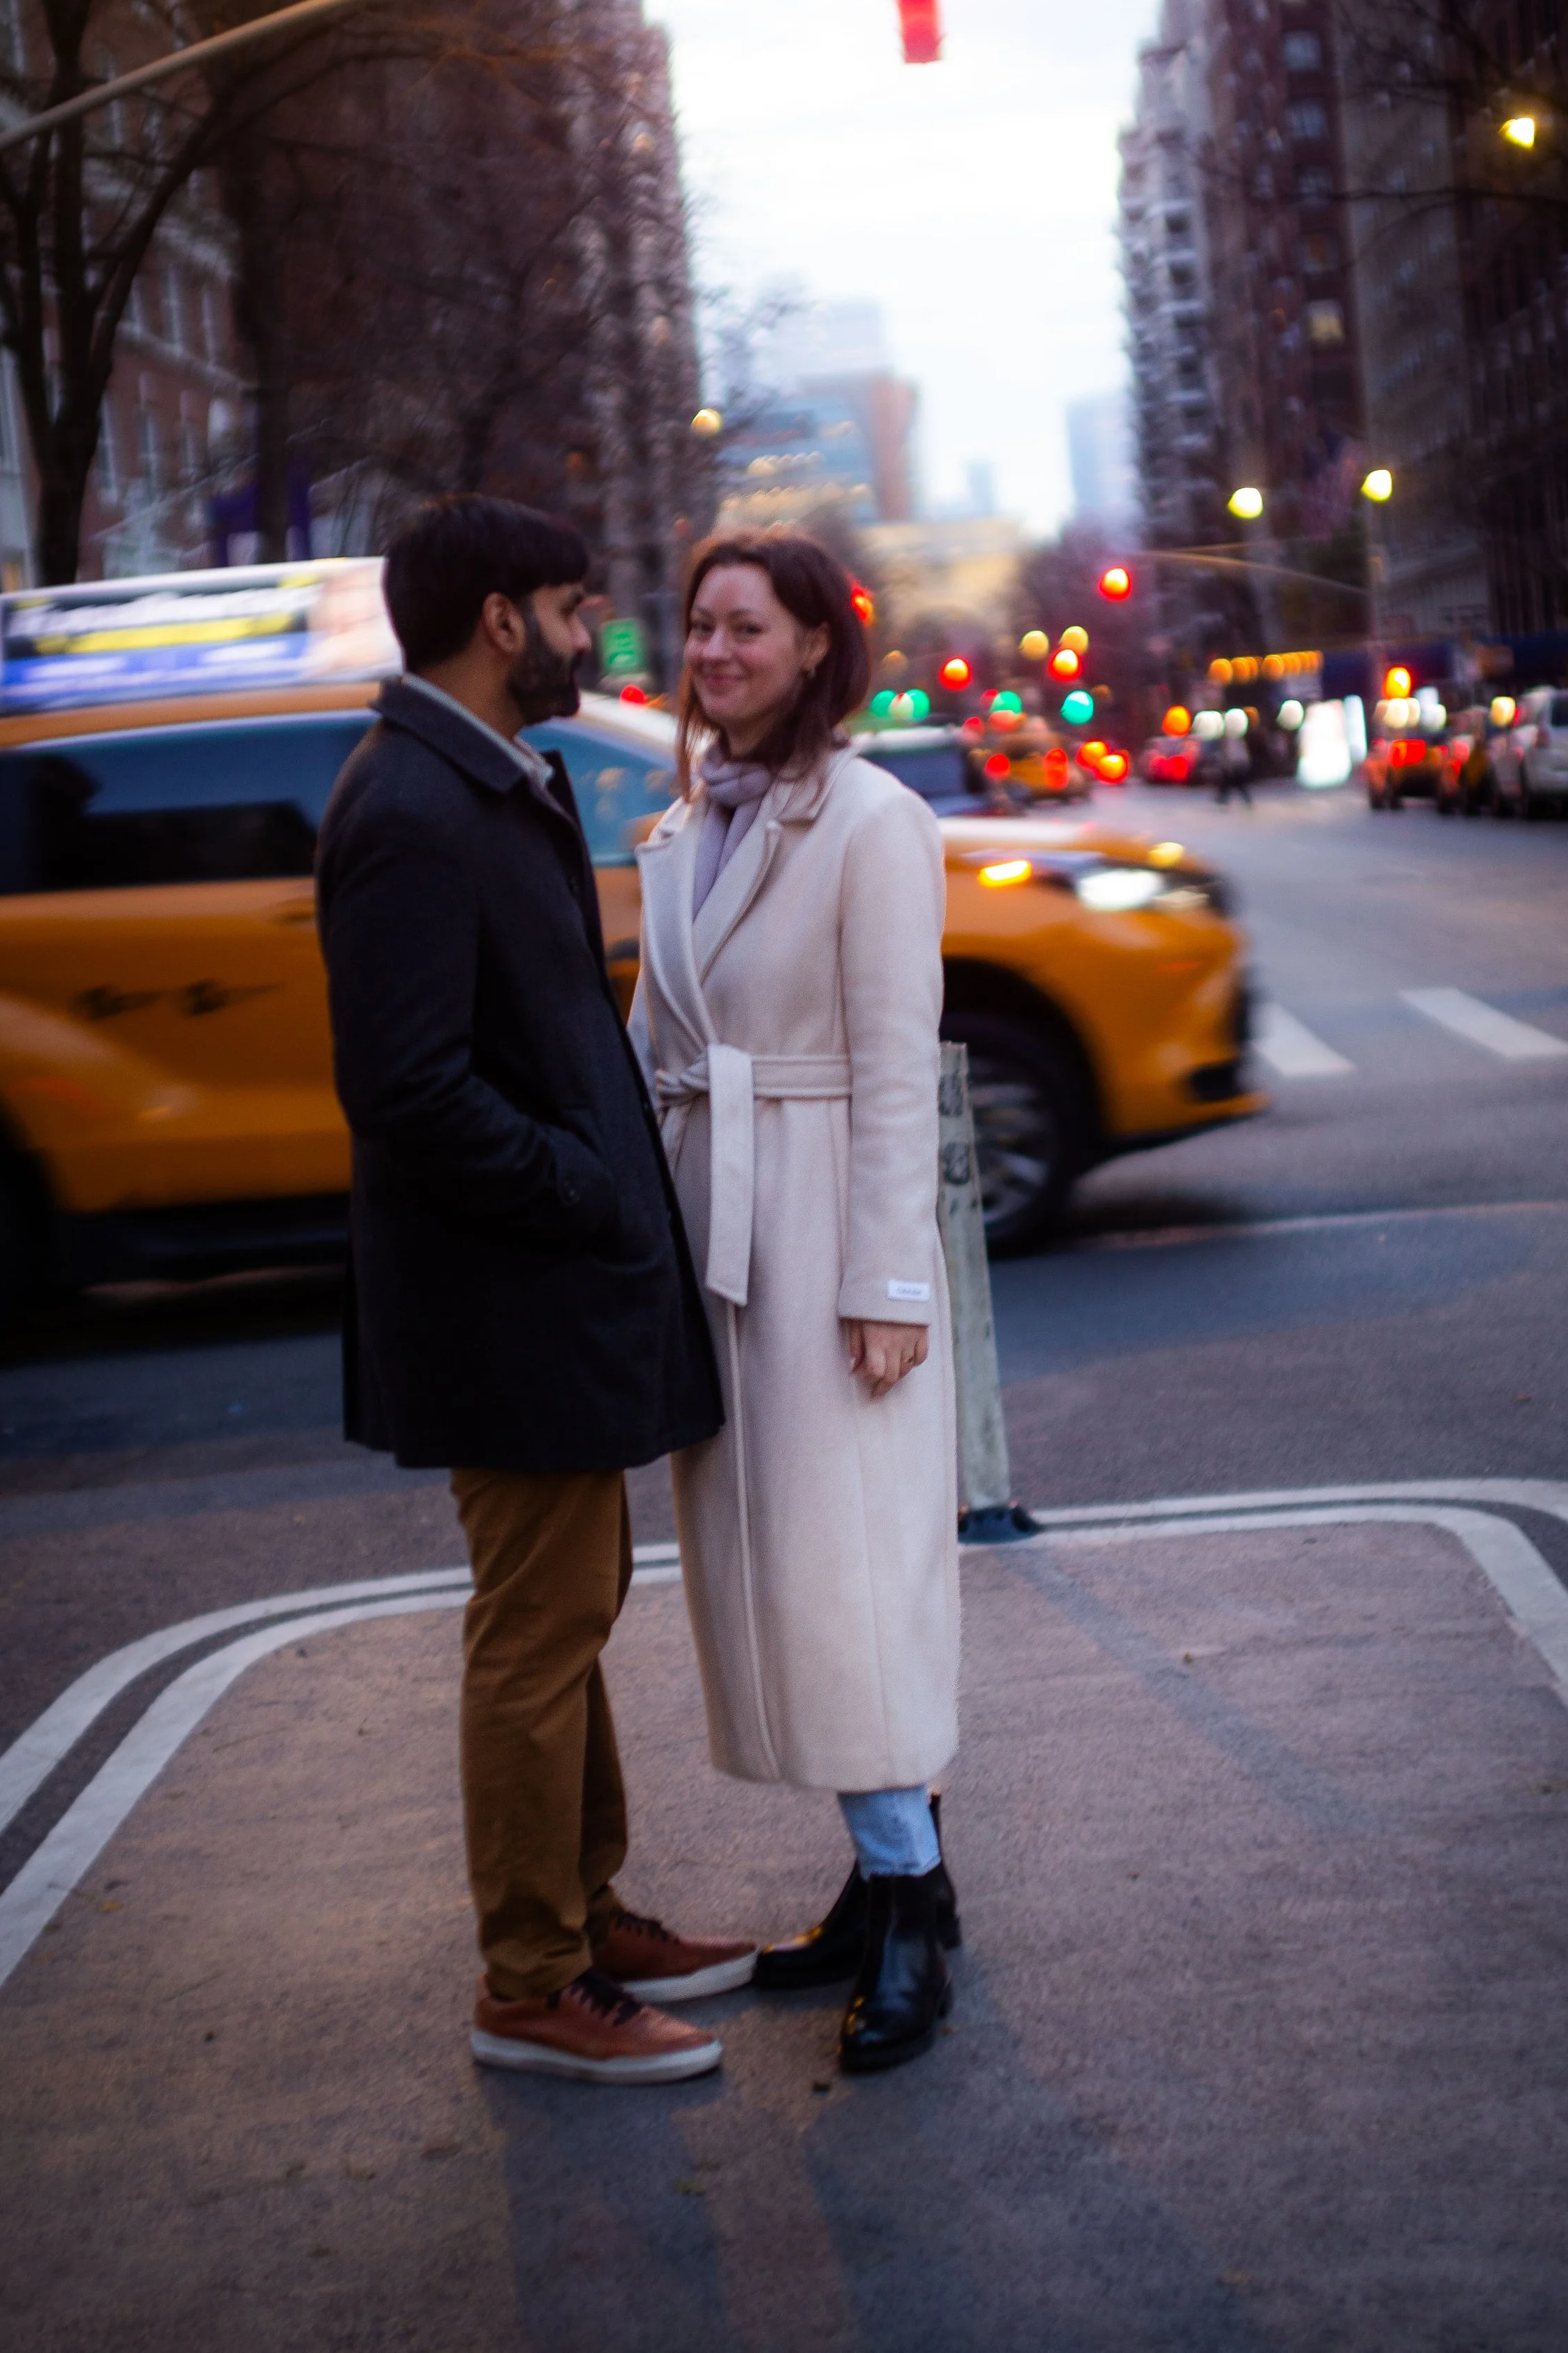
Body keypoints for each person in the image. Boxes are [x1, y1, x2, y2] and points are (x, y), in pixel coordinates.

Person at [316, 495, 749, 2088]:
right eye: (574, 609)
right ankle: (532, 1979)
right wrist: (583, 1183)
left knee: (565, 1610)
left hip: (528, 1290)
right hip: (502, 1298)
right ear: (501, 620)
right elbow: (410, 1090)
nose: (595, 638)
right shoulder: (417, 807)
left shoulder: (474, 782)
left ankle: (584, 1916)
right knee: (536, 1624)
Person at [628, 529, 963, 2077]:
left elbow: (899, 1063)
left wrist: (886, 1281)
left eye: (746, 628)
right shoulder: (690, 817)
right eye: (699, 626)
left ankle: (908, 1911)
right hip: (722, 1235)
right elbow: (658, 1045)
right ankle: (886, 1877)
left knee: (847, 1583)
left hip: (829, 1230)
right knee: (780, 1577)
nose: (714, 653)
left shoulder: (876, 822)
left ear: (818, 642)